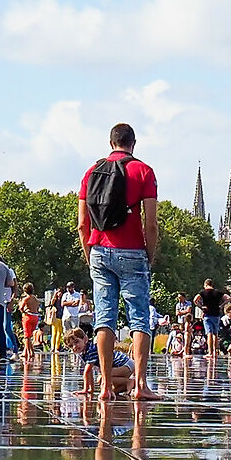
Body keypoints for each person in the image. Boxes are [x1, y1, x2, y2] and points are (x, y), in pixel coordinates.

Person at [78, 123, 161, 401]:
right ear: (133, 143)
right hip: (132, 250)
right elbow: (151, 223)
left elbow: (82, 224)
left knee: (104, 319)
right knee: (139, 318)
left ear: (110, 142)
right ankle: (139, 385)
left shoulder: (91, 172)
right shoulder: (144, 171)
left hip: (99, 249)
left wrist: (90, 255)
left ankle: (103, 388)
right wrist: (150, 254)